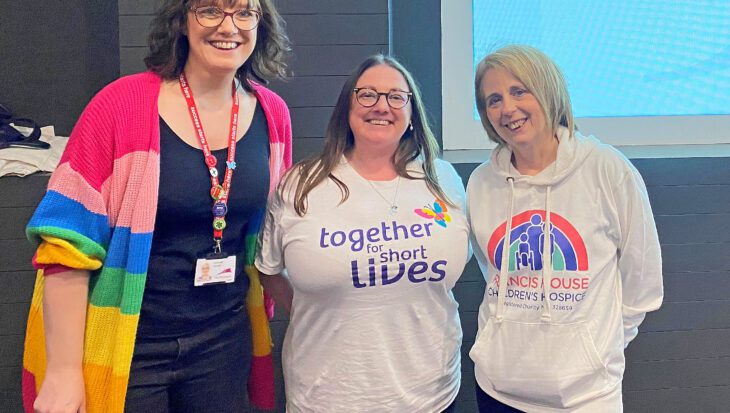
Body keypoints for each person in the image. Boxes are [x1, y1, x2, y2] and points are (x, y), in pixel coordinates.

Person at [22, 0, 291, 412]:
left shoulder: (273, 114)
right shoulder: (119, 106)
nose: (228, 26)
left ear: (260, 24)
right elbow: (67, 245)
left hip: (223, 340)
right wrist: (63, 372)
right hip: (130, 342)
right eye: (210, 10)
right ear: (182, 21)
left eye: (243, 12)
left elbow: (274, 237)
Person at [255, 55, 471, 412]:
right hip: (327, 396)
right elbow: (268, 270)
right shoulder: (301, 184)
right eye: (367, 95)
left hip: (431, 394)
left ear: (412, 111)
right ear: (347, 108)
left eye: (395, 96)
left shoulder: (444, 180)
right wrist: (319, 307)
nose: (381, 106)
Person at [466, 44, 663, 412]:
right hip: (497, 391)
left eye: (519, 91)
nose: (507, 108)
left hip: (584, 397)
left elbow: (643, 282)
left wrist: (592, 352)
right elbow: (493, 270)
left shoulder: (608, 170)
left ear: (548, 91)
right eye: (493, 99)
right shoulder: (481, 183)